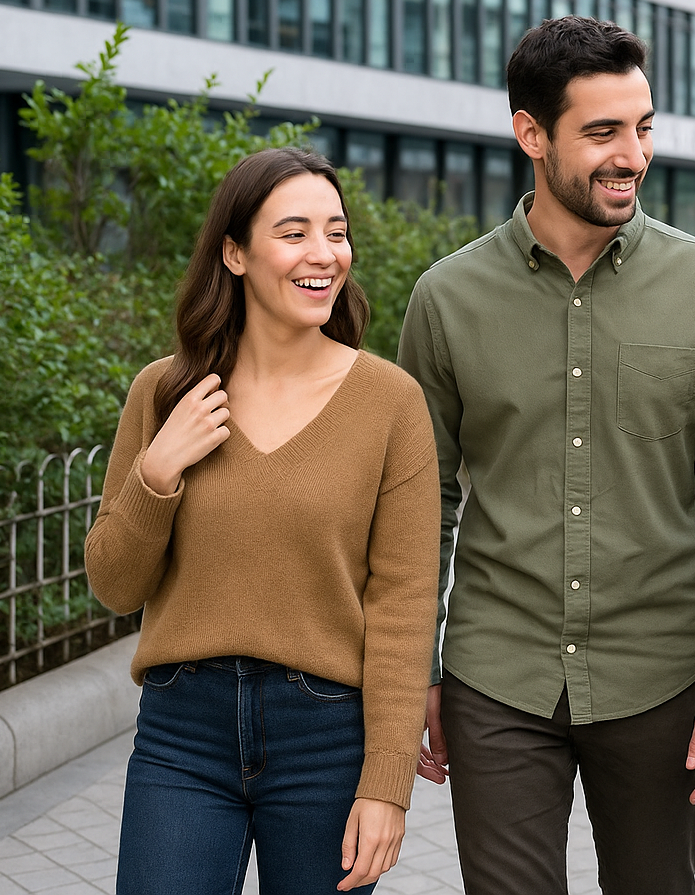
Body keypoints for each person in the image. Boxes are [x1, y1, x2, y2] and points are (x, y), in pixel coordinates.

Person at [396, 16, 695, 895]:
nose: (632, 155)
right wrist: (416, 671)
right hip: (497, 678)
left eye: (642, 127)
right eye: (602, 132)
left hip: (661, 681)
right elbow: (422, 506)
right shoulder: (447, 299)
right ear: (532, 134)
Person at [85, 147, 440, 895]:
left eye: (337, 232)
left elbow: (404, 605)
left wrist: (386, 784)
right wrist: (158, 473)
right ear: (235, 252)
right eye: (295, 232)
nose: (324, 254)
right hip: (183, 733)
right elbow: (115, 585)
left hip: (328, 738)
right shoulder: (166, 390)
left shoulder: (391, 402)